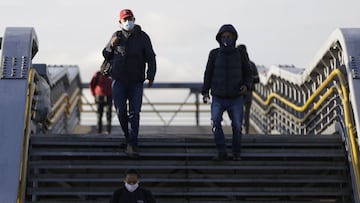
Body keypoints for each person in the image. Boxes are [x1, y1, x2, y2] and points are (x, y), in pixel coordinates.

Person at [103, 9, 156, 158]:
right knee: (120, 111)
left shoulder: (143, 37)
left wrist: (150, 75)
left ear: (134, 19)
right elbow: (106, 54)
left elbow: (151, 57)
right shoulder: (116, 36)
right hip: (118, 80)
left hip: (136, 81)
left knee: (134, 112)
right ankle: (128, 137)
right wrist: (111, 46)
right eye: (125, 19)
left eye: (130, 18)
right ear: (120, 22)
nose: (128, 21)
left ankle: (133, 143)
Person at [202, 24, 252, 161]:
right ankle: (221, 151)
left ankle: (236, 153)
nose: (226, 39)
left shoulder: (240, 54)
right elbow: (208, 74)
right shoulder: (214, 54)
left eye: (229, 36)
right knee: (215, 122)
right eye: (223, 36)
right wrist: (205, 91)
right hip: (218, 96)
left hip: (235, 97)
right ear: (219, 38)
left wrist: (246, 85)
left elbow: (248, 73)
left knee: (237, 126)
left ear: (234, 38)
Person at [237, 44, 260, 134]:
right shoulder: (251, 64)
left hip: (238, 92)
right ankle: (246, 131)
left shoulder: (235, 66)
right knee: (247, 113)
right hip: (249, 92)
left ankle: (239, 129)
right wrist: (249, 81)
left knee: (238, 112)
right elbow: (257, 79)